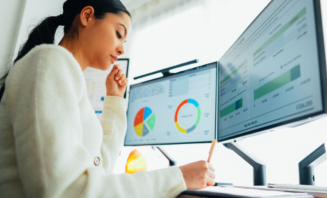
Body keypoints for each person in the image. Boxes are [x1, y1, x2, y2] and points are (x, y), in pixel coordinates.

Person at [0, 0, 215, 197]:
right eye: (119, 34)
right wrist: (178, 177)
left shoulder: (69, 78)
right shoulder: (49, 61)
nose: (122, 48)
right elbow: (65, 190)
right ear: (86, 16)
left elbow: (98, 167)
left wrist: (114, 100)